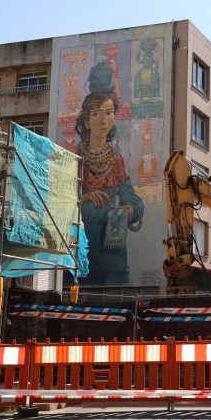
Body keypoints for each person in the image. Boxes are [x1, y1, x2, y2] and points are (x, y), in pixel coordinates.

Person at [75, 91, 144, 286]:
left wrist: (130, 210)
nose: (104, 120)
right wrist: (87, 197)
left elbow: (131, 197)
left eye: (109, 113)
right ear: (87, 121)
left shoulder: (116, 161)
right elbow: (62, 200)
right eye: (97, 114)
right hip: (82, 245)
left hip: (112, 252)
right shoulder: (75, 161)